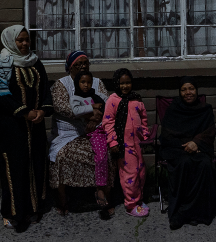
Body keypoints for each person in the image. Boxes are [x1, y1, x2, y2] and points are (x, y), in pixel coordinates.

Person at [0, 25, 53, 231]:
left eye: (26, 40)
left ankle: (33, 209)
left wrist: (42, 111)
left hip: (36, 126)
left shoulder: (35, 62)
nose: (24, 44)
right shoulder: (1, 62)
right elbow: (0, 93)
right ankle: (12, 212)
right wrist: (24, 112)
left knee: (36, 164)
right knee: (14, 167)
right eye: (19, 40)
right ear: (10, 41)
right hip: (13, 127)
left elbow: (45, 89)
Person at [50, 51, 116, 217]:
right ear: (69, 67)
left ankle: (104, 196)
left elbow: (107, 104)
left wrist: (94, 121)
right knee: (61, 155)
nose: (82, 66)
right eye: (77, 64)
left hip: (95, 130)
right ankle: (62, 200)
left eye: (85, 63)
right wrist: (89, 112)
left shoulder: (96, 82)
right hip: (68, 133)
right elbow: (61, 107)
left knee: (105, 153)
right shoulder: (61, 84)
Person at [160, 76, 216, 229]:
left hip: (200, 148)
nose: (188, 92)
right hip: (177, 149)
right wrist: (184, 146)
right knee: (184, 163)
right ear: (179, 92)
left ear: (197, 91)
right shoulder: (173, 109)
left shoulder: (205, 109)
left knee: (205, 164)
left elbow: (209, 131)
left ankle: (199, 212)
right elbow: (166, 135)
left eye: (191, 88)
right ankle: (181, 212)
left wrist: (197, 142)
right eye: (184, 89)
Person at [102, 68, 151, 218]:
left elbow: (143, 119)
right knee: (129, 174)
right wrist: (113, 142)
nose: (125, 86)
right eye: (122, 83)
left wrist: (145, 134)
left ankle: (138, 199)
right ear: (117, 84)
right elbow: (107, 122)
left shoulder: (136, 99)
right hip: (123, 145)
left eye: (128, 82)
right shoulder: (113, 100)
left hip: (137, 143)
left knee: (140, 172)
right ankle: (130, 205)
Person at [70, 71, 109, 189]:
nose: (86, 85)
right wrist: (92, 107)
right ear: (77, 83)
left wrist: (97, 115)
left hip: (106, 126)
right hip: (95, 131)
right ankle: (100, 186)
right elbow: (76, 111)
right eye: (83, 82)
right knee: (101, 156)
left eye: (89, 82)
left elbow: (108, 105)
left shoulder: (97, 96)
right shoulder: (75, 98)